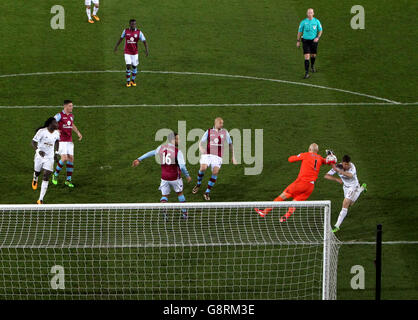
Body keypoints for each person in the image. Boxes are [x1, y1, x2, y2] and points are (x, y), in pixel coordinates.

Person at [255, 143, 336, 222]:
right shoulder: (320, 158)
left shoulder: (306, 154)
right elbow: (330, 161)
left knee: (283, 196)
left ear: (309, 149)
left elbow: (290, 159)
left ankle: (264, 212)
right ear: (317, 150)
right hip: (310, 187)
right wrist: (331, 155)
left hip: (301, 183)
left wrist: (299, 155)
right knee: (295, 202)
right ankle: (286, 216)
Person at [132, 132, 191, 218]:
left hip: (164, 177)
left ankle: (164, 214)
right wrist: (187, 175)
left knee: (164, 196)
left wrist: (139, 159)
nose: (180, 140)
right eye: (178, 139)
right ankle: (185, 214)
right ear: (173, 140)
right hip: (175, 177)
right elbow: (182, 166)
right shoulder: (178, 151)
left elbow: (151, 152)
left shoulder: (161, 148)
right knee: (180, 193)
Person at [192, 117, 237, 201]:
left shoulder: (225, 132)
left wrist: (233, 157)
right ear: (215, 123)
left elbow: (230, 144)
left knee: (215, 172)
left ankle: (207, 192)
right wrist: (200, 147)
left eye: (222, 123)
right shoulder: (209, 131)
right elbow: (200, 142)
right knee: (203, 168)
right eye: (220, 123)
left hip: (217, 156)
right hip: (207, 154)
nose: (222, 125)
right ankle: (198, 184)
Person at [324, 155, 367, 232]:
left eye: (347, 164)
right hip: (346, 187)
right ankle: (361, 189)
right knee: (350, 204)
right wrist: (336, 179)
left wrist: (339, 171)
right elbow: (326, 176)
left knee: (345, 203)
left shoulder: (352, 167)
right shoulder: (338, 166)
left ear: (349, 163)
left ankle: (337, 226)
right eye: (345, 164)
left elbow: (350, 175)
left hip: (353, 186)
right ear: (342, 162)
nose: (346, 166)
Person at [52, 100, 83, 188]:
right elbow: (52, 123)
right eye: (70, 106)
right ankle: (55, 174)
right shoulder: (59, 115)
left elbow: (71, 124)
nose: (72, 107)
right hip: (61, 140)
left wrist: (78, 132)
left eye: (72, 105)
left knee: (71, 159)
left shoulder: (71, 116)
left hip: (69, 140)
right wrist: (55, 129)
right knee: (64, 158)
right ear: (65, 107)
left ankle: (68, 180)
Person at [31, 118, 60, 204]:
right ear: (50, 124)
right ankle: (35, 178)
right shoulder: (42, 131)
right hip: (40, 156)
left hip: (50, 158)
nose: (57, 124)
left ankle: (40, 199)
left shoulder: (57, 133)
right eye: (55, 123)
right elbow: (33, 142)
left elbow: (57, 141)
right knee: (37, 172)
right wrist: (38, 151)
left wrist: (56, 153)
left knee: (46, 175)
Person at [114, 19, 149, 87]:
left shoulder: (139, 32)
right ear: (129, 24)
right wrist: (116, 46)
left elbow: (144, 41)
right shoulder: (125, 31)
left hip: (135, 52)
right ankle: (128, 81)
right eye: (132, 24)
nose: (133, 25)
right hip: (127, 52)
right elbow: (121, 38)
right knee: (128, 65)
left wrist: (147, 50)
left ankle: (133, 80)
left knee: (134, 66)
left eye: (135, 24)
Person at [297, 8, 323, 78]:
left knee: (313, 55)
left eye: (311, 13)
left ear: (313, 13)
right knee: (307, 57)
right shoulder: (303, 22)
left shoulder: (316, 21)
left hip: (313, 41)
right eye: (308, 13)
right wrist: (298, 41)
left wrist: (318, 37)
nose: (310, 14)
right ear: (307, 14)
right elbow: (299, 32)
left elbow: (320, 30)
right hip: (305, 41)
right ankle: (306, 73)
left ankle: (312, 66)